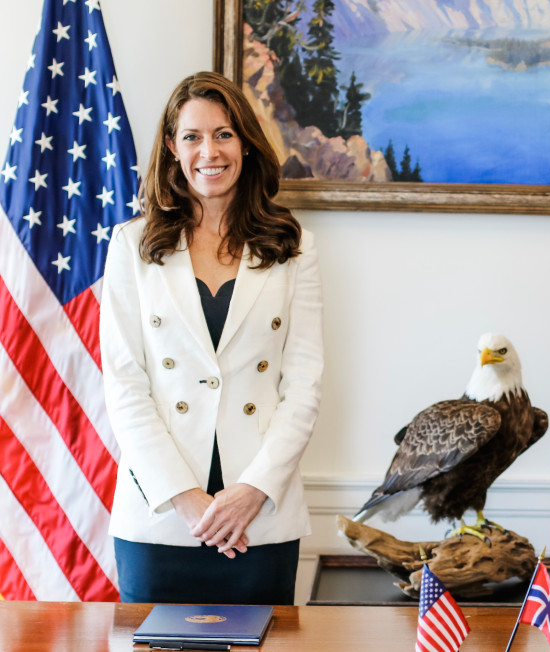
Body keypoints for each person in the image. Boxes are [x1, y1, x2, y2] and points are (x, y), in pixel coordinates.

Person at [100, 71, 323, 604]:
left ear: (245, 143)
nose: (210, 151)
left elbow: (304, 388)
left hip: (259, 517)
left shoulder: (294, 248)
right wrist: (187, 500)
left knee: (266, 643)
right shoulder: (132, 245)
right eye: (192, 136)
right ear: (172, 148)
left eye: (224, 134)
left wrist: (252, 492)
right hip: (161, 517)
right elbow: (125, 386)